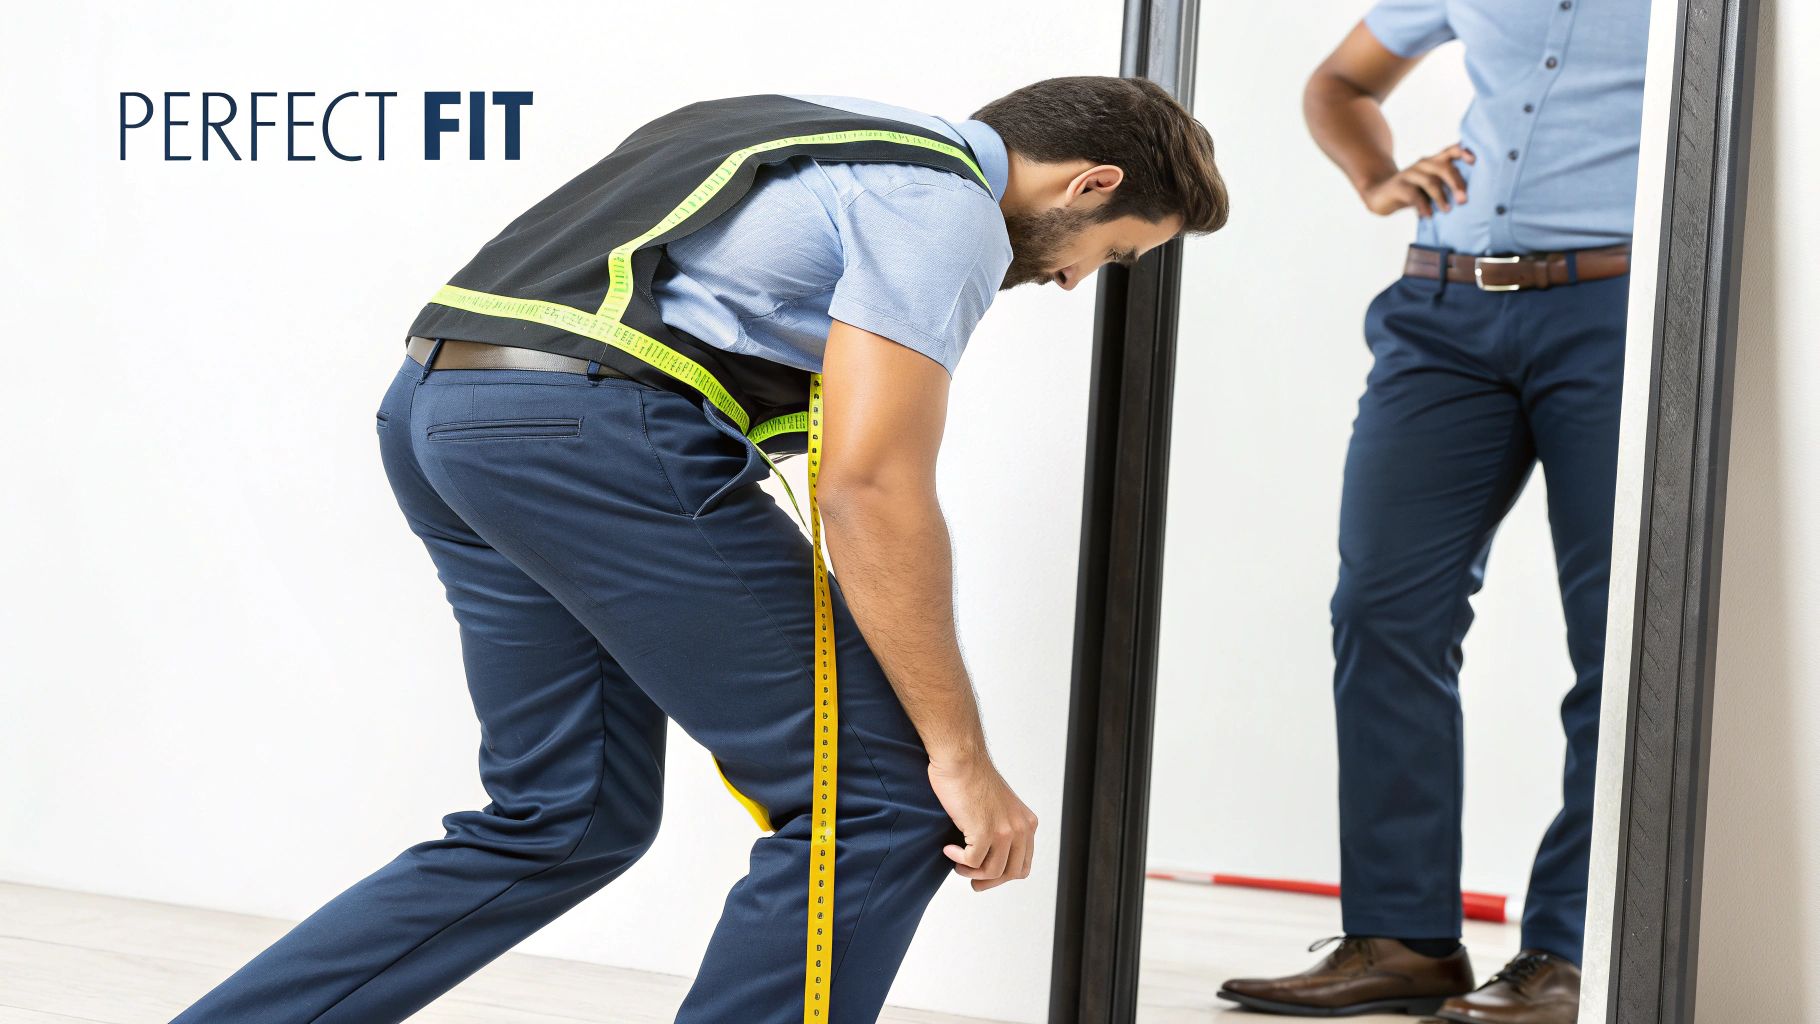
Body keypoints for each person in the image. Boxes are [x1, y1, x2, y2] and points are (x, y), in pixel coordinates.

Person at [170, 79, 1228, 1024]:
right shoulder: (941, 205)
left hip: (440, 410)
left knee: (563, 816)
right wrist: (957, 754)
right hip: (584, 430)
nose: (1078, 281)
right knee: (884, 799)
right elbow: (870, 486)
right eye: (1114, 253)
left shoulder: (803, 132)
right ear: (1089, 183)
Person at [1215, 3, 1647, 1023]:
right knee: (1380, 606)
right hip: (1441, 312)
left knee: (1620, 633)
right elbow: (1339, 82)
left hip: (1622, 305)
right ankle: (1402, 938)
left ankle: (1570, 952)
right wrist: (1376, 177)